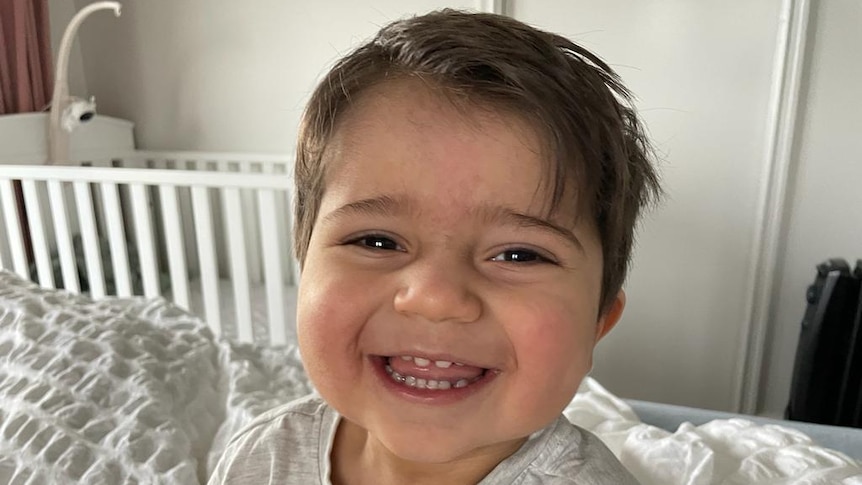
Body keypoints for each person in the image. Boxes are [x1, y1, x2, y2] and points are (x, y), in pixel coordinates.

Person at [209, 8, 661, 485]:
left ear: (599, 322)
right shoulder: (263, 455)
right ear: (305, 268)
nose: (435, 296)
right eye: (378, 241)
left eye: (518, 254)